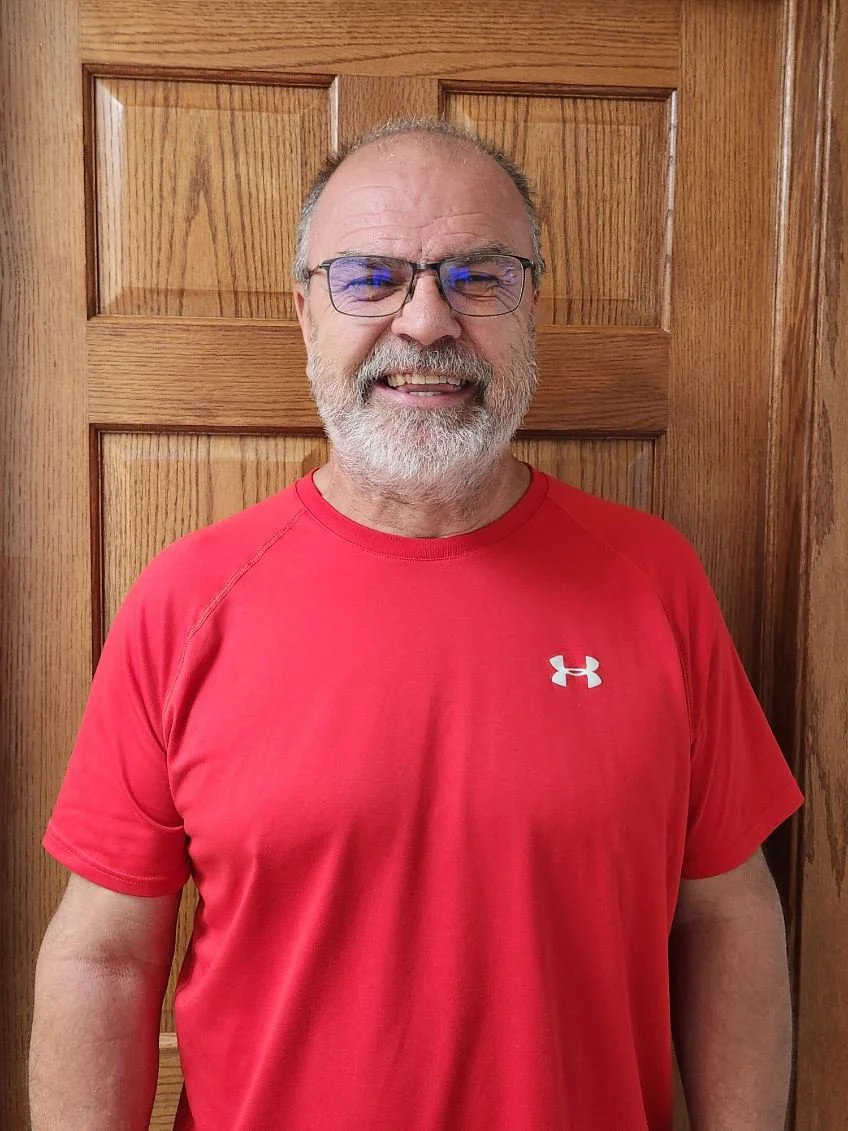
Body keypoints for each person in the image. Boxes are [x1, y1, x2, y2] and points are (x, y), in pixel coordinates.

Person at [30, 119, 803, 1131]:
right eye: (369, 277)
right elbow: (104, 955)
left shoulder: (651, 582)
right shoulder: (188, 601)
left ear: (531, 308)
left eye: (478, 277)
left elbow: (727, 917)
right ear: (304, 310)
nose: (426, 322)